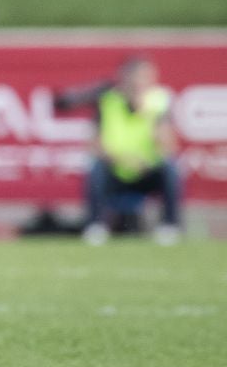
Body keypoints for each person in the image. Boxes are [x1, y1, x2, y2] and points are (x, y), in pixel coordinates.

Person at [59, 57, 184, 245]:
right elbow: (94, 144)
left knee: (171, 168)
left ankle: (169, 227)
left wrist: (152, 121)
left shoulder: (159, 102)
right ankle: (96, 226)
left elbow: (169, 147)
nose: (139, 84)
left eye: (145, 78)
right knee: (95, 168)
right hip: (115, 170)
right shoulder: (108, 100)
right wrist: (121, 159)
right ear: (124, 78)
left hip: (146, 170)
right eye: (135, 78)